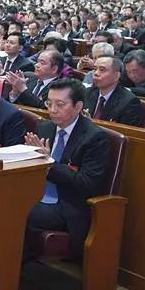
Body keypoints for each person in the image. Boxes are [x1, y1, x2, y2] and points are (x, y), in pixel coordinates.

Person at [24, 78, 111, 261]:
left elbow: (87, 183)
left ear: (78, 107)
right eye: (49, 103)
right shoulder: (45, 128)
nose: (52, 110)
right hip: (37, 193)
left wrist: (49, 163)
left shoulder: (95, 137)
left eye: (60, 104)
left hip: (68, 204)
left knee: (17, 212)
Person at [84, 56, 144, 126]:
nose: (96, 73)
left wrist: (91, 124)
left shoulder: (129, 102)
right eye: (95, 69)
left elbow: (126, 131)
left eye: (102, 70)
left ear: (116, 76)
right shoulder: (86, 93)